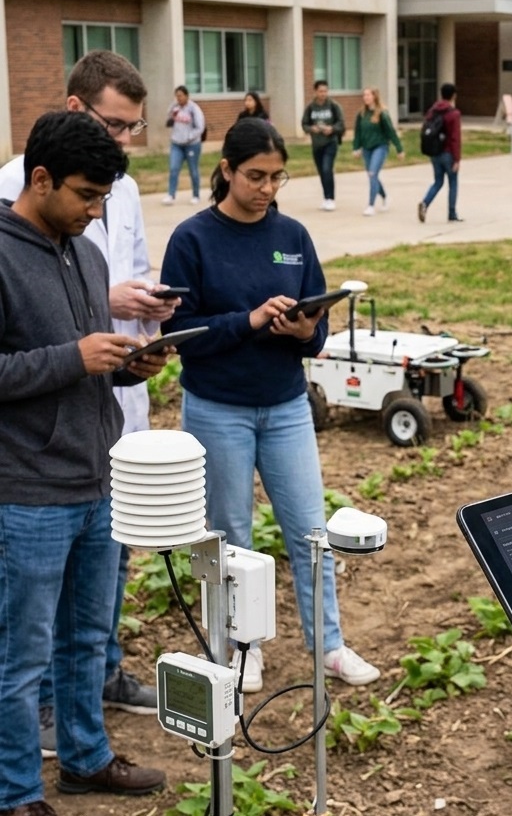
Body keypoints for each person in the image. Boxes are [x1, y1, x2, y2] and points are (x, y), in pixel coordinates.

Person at [159, 118, 379, 693]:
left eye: (278, 177)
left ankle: (327, 644)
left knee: (311, 529)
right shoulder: (192, 239)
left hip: (285, 406)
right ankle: (242, 647)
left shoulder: (294, 236)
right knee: (232, 536)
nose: (267, 188)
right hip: (217, 407)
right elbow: (179, 332)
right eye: (255, 176)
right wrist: (251, 320)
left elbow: (319, 332)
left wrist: (304, 330)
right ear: (226, 170)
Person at [0, 49, 179, 750]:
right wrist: (74, 357)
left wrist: (134, 365)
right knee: (23, 652)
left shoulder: (89, 242)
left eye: (104, 199)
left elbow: (86, 349)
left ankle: (84, 753)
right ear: (41, 180)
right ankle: (17, 786)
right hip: (31, 485)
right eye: (85, 197)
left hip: (97, 467)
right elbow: (41, 353)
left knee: (85, 635)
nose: (96, 211)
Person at [352, 86, 404, 216]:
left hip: (380, 147)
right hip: (366, 148)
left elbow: (390, 132)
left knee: (372, 173)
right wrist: (356, 148)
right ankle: (385, 197)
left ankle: (371, 205)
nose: (366, 98)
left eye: (368, 95)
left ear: (374, 96)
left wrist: (399, 148)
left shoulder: (382, 113)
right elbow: (358, 132)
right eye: (364, 95)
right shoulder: (362, 114)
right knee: (372, 176)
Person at [417, 83, 463, 223]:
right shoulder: (453, 114)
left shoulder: (432, 111)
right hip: (448, 152)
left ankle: (425, 202)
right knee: (453, 182)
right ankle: (452, 213)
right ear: (454, 95)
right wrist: (457, 159)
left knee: (438, 181)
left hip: (435, 152)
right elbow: (455, 137)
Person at [301, 80, 345, 212]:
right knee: (321, 172)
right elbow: (304, 124)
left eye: (325, 91)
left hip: (330, 143)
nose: (323, 94)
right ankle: (326, 198)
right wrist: (311, 129)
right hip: (316, 144)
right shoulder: (310, 107)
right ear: (315, 91)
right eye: (320, 91)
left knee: (327, 169)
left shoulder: (333, 106)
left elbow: (341, 123)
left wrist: (332, 129)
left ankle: (331, 199)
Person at [163, 85, 205, 205]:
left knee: (193, 170)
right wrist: (172, 108)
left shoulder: (194, 108)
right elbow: (168, 117)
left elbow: (200, 127)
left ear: (186, 96)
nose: (178, 98)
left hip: (192, 144)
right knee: (173, 169)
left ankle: (196, 195)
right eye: (176, 96)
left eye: (180, 96)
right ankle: (171, 195)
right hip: (176, 144)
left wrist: (189, 137)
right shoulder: (175, 107)